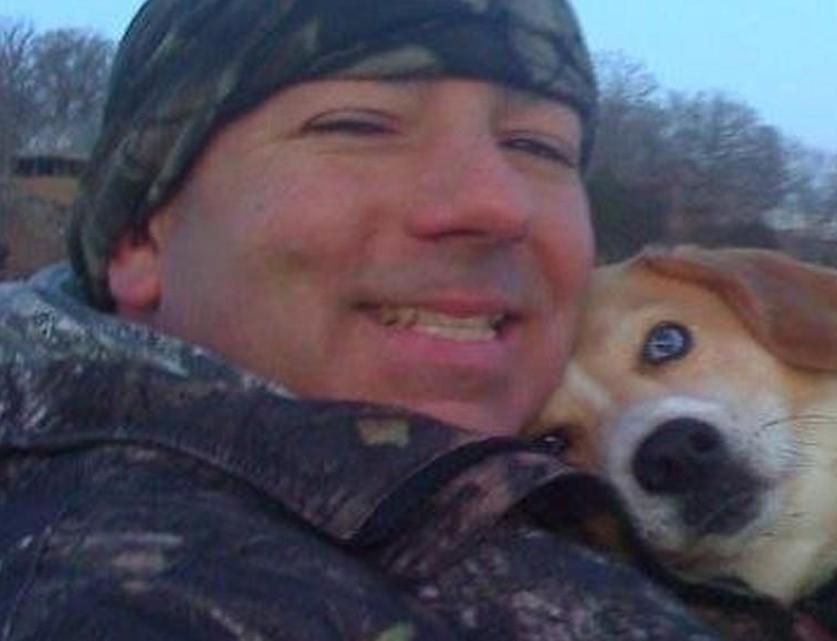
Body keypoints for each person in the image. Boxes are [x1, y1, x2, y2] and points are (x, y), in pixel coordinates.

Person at [0, 1, 794, 639]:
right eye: (359, 125)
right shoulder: (110, 588)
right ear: (142, 238)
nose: (496, 202)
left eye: (539, 146)